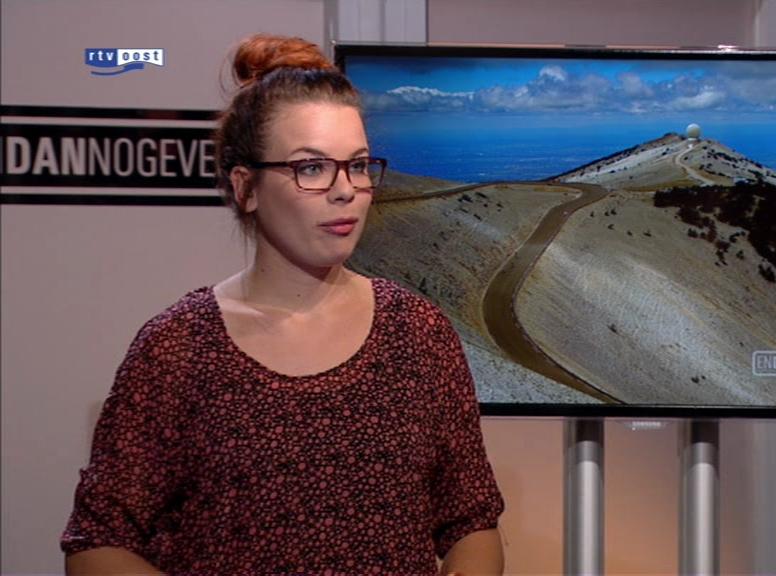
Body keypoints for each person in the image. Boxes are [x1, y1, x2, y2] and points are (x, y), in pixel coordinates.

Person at [61, 34, 505, 575]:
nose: (345, 190)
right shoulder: (178, 347)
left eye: (357, 165)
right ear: (245, 187)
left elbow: (472, 523)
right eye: (311, 168)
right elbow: (97, 543)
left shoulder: (418, 332)